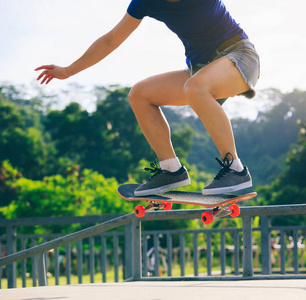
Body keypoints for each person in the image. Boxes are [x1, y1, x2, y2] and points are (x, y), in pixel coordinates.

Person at [35, 0, 260, 196]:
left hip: (239, 56)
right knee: (140, 94)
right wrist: (68, 70)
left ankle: (235, 169)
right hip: (199, 70)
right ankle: (171, 169)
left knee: (194, 87)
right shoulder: (146, 1)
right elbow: (111, 40)